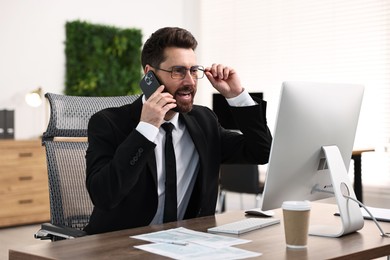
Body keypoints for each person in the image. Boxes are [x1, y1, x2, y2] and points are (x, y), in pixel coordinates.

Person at [84, 27, 272, 235]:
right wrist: (145, 129)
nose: (190, 82)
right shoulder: (108, 123)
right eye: (178, 71)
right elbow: (104, 196)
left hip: (188, 244)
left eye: (193, 70)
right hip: (122, 246)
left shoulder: (204, 121)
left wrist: (237, 95)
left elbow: (261, 151)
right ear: (150, 75)